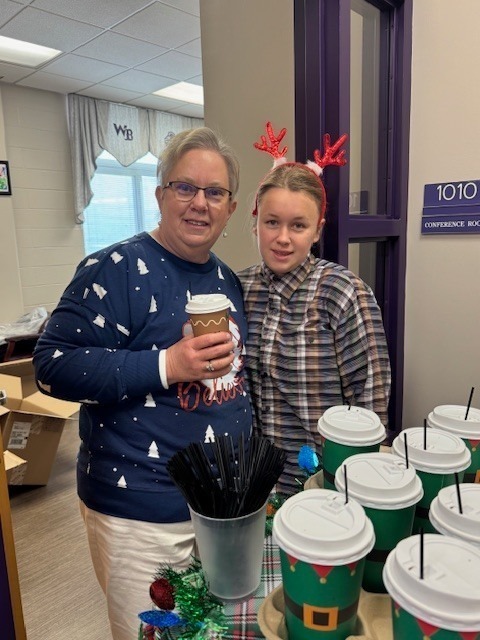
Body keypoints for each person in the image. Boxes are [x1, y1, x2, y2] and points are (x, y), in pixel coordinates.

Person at [33, 127, 252, 640]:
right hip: (142, 510)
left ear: (232, 208)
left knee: (215, 631)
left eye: (214, 192)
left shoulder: (227, 280)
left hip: (222, 509)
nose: (200, 203)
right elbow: (52, 365)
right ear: (160, 195)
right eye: (185, 188)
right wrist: (166, 366)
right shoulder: (113, 268)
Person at [237, 123, 391, 496]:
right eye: (272, 222)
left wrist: (358, 486)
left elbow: (369, 402)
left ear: (318, 230)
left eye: (299, 225)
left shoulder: (343, 293)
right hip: (251, 483)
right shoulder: (237, 289)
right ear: (256, 222)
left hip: (320, 486)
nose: (283, 238)